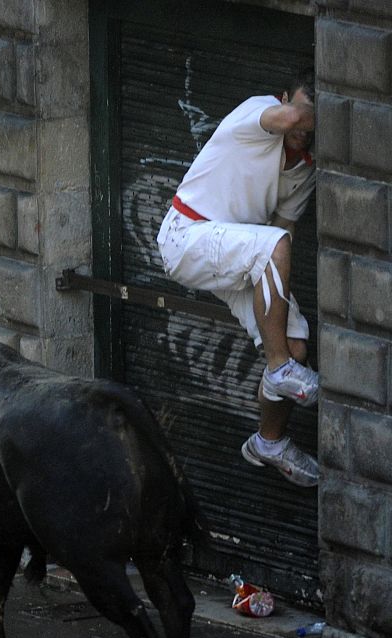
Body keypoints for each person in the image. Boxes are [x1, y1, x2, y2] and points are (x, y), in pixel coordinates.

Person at [156, 69, 318, 487]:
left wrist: (276, 306)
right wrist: (328, 113)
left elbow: (284, 230)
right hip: (186, 235)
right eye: (301, 106)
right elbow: (289, 120)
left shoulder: (304, 170)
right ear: (284, 100)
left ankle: (269, 441)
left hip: (235, 254)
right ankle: (279, 369)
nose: (304, 123)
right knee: (275, 246)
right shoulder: (259, 111)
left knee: (295, 343)